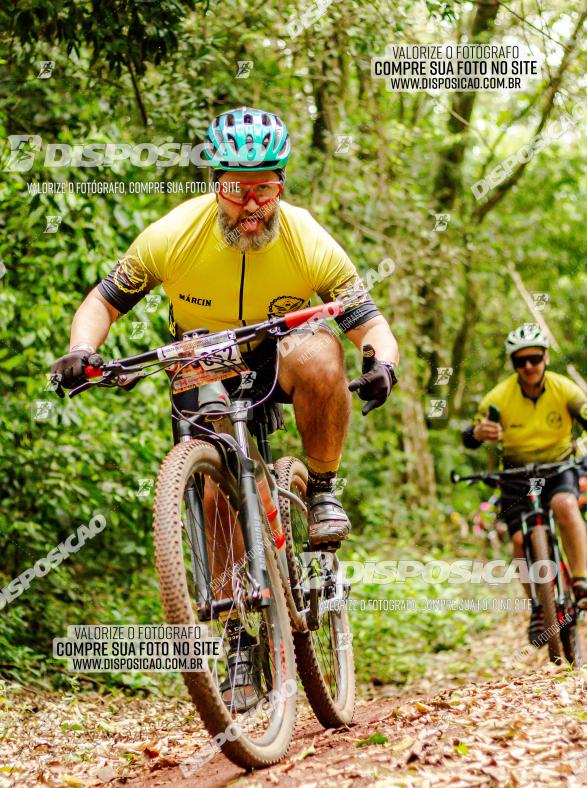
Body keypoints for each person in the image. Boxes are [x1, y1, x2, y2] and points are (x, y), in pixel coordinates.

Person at [50, 106, 400, 546]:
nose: (251, 204)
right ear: (216, 186)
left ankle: (323, 491)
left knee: (323, 354)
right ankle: (232, 612)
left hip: (279, 351)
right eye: (236, 188)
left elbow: (368, 323)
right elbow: (104, 302)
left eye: (265, 188)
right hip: (202, 356)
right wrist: (82, 349)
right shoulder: (174, 234)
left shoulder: (307, 240)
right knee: (218, 498)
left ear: (281, 185)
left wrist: (382, 363)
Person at [463, 323, 587, 645]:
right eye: (521, 361)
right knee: (519, 542)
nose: (529, 366)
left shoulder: (566, 390)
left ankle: (581, 583)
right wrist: (479, 434)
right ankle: (537, 605)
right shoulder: (498, 398)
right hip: (519, 476)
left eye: (534, 358)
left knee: (565, 505)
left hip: (558, 467)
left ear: (545, 357)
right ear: (513, 364)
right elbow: (470, 434)